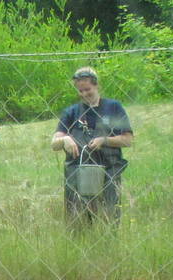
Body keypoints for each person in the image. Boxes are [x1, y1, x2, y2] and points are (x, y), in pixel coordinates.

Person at [51, 66, 133, 225]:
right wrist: (65, 139)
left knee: (109, 218)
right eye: (80, 91)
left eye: (87, 89)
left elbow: (128, 140)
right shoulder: (72, 112)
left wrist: (105, 140)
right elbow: (54, 144)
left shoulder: (114, 107)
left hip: (109, 171)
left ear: (97, 85)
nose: (84, 94)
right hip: (77, 172)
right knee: (77, 221)